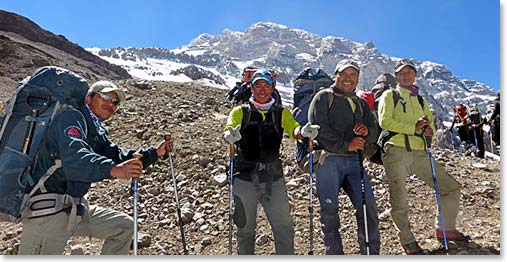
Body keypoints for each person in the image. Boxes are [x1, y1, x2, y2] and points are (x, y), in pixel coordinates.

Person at [18, 80, 173, 255]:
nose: (111, 104)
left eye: (115, 102)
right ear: (89, 98)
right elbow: (75, 158)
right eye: (105, 97)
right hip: (46, 213)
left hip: (75, 209)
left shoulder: (94, 130)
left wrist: (155, 153)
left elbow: (119, 156)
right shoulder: (70, 118)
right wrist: (115, 169)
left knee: (123, 227)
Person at [378, 59, 469, 255]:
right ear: (396, 76)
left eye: (409, 72)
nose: (406, 76)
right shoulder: (389, 95)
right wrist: (414, 128)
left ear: (415, 76)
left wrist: (429, 131)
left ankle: (445, 228)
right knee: (399, 198)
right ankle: (408, 241)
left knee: (450, 187)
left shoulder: (420, 100)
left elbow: (432, 127)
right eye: (402, 73)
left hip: (419, 152)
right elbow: (384, 121)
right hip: (395, 150)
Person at [223, 68, 319, 255]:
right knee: (245, 230)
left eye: (266, 85)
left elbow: (294, 130)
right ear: (251, 88)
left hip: (273, 180)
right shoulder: (240, 112)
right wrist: (229, 135)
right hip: (244, 178)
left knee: (284, 228)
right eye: (258, 85)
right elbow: (229, 128)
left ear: (272, 88)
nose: (262, 89)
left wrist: (303, 132)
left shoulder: (281, 113)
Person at [308, 59, 380, 255]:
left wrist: (366, 132)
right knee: (329, 212)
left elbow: (375, 131)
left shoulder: (361, 103)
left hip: (355, 162)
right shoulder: (324, 97)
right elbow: (318, 127)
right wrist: (346, 144)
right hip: (329, 160)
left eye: (353, 75)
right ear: (336, 75)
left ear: (357, 79)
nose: (348, 79)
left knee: (368, 208)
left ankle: (371, 254)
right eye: (344, 74)